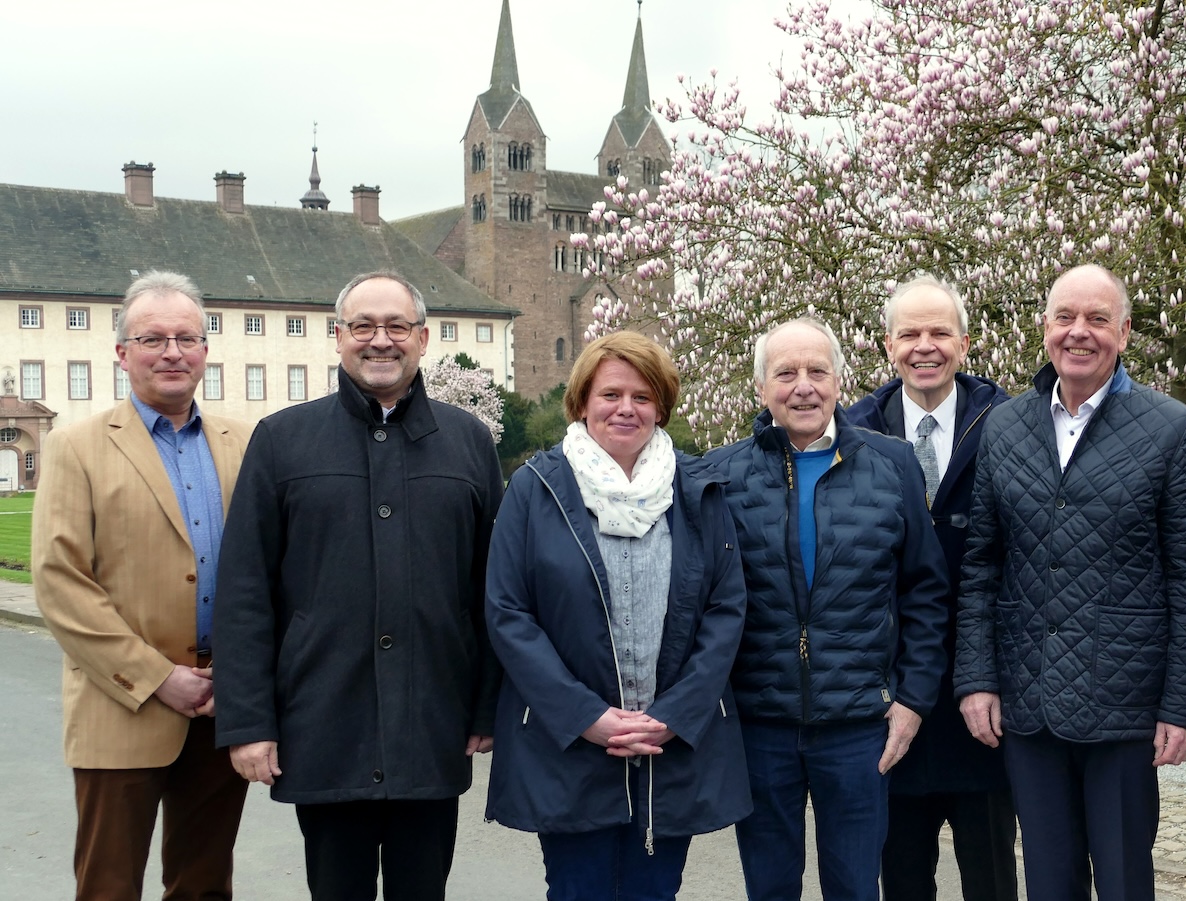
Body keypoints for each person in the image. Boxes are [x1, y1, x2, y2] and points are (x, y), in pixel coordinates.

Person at [212, 271, 503, 901]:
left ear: (423, 338)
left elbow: (491, 589)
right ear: (337, 337)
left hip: (433, 722)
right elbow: (244, 593)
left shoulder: (468, 442)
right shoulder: (283, 441)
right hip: (324, 724)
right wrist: (247, 721)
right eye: (363, 327)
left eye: (396, 326)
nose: (380, 341)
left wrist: (487, 706)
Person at [954, 264, 1186, 901]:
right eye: (1065, 318)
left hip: (1125, 706)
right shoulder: (1005, 426)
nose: (1080, 333)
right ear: (1044, 327)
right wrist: (977, 678)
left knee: (1126, 877)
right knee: (1048, 878)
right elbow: (981, 566)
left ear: (1124, 333)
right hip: (1029, 699)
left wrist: (1183, 707)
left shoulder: (1171, 428)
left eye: (1097, 320)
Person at [482, 332, 750, 900]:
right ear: (582, 402)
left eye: (643, 396)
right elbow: (508, 612)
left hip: (667, 747)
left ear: (662, 407)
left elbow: (725, 609)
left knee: (655, 893)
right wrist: (585, 715)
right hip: (571, 745)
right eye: (610, 394)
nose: (626, 408)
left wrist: (676, 714)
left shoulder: (698, 492)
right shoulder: (535, 489)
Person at [706, 317, 949, 901]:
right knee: (769, 887)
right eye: (785, 373)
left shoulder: (893, 463)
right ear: (762, 388)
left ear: (840, 381)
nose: (803, 386)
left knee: (856, 887)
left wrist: (913, 700)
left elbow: (926, 591)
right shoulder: (720, 474)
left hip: (860, 727)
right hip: (760, 725)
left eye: (817, 371)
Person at [32, 271, 253, 901]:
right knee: (108, 885)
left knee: (205, 882)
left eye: (187, 337)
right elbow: (60, 583)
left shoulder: (244, 444)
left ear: (207, 351)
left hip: (221, 705)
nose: (172, 352)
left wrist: (236, 673)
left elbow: (269, 571)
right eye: (152, 339)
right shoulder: (77, 447)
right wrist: (160, 677)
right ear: (123, 353)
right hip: (121, 702)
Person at [844, 276, 1017, 901]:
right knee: (903, 876)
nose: (925, 346)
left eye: (940, 332)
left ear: (965, 343)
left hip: (986, 696)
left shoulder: (1010, 426)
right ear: (888, 345)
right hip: (888, 700)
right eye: (910, 333)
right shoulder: (851, 433)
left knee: (992, 873)